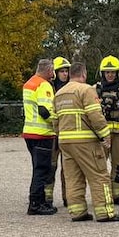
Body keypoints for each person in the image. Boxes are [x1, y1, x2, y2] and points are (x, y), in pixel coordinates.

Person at [54, 62, 119, 222]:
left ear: (70, 74)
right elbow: (95, 116)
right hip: (85, 142)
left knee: (73, 178)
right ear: (83, 74)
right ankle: (105, 212)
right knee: (99, 175)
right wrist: (106, 135)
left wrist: (61, 136)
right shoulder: (86, 90)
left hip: (65, 142)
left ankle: (77, 212)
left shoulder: (59, 93)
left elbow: (55, 121)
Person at [95, 55, 119, 205]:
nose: (110, 75)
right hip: (101, 136)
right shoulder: (95, 89)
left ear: (117, 73)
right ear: (102, 73)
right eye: (107, 72)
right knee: (99, 166)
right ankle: (102, 195)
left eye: (112, 72)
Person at [22, 58, 57, 215]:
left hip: (30, 132)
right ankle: (36, 204)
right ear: (49, 70)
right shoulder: (44, 85)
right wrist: (58, 122)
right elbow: (45, 111)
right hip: (42, 133)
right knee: (42, 170)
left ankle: (40, 201)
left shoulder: (29, 83)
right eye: (53, 70)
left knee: (38, 168)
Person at [48, 56, 73, 207]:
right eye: (62, 71)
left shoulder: (72, 88)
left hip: (67, 134)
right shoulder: (49, 88)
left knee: (68, 169)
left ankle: (68, 197)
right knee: (50, 166)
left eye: (66, 71)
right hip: (52, 134)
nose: (65, 74)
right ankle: (48, 197)